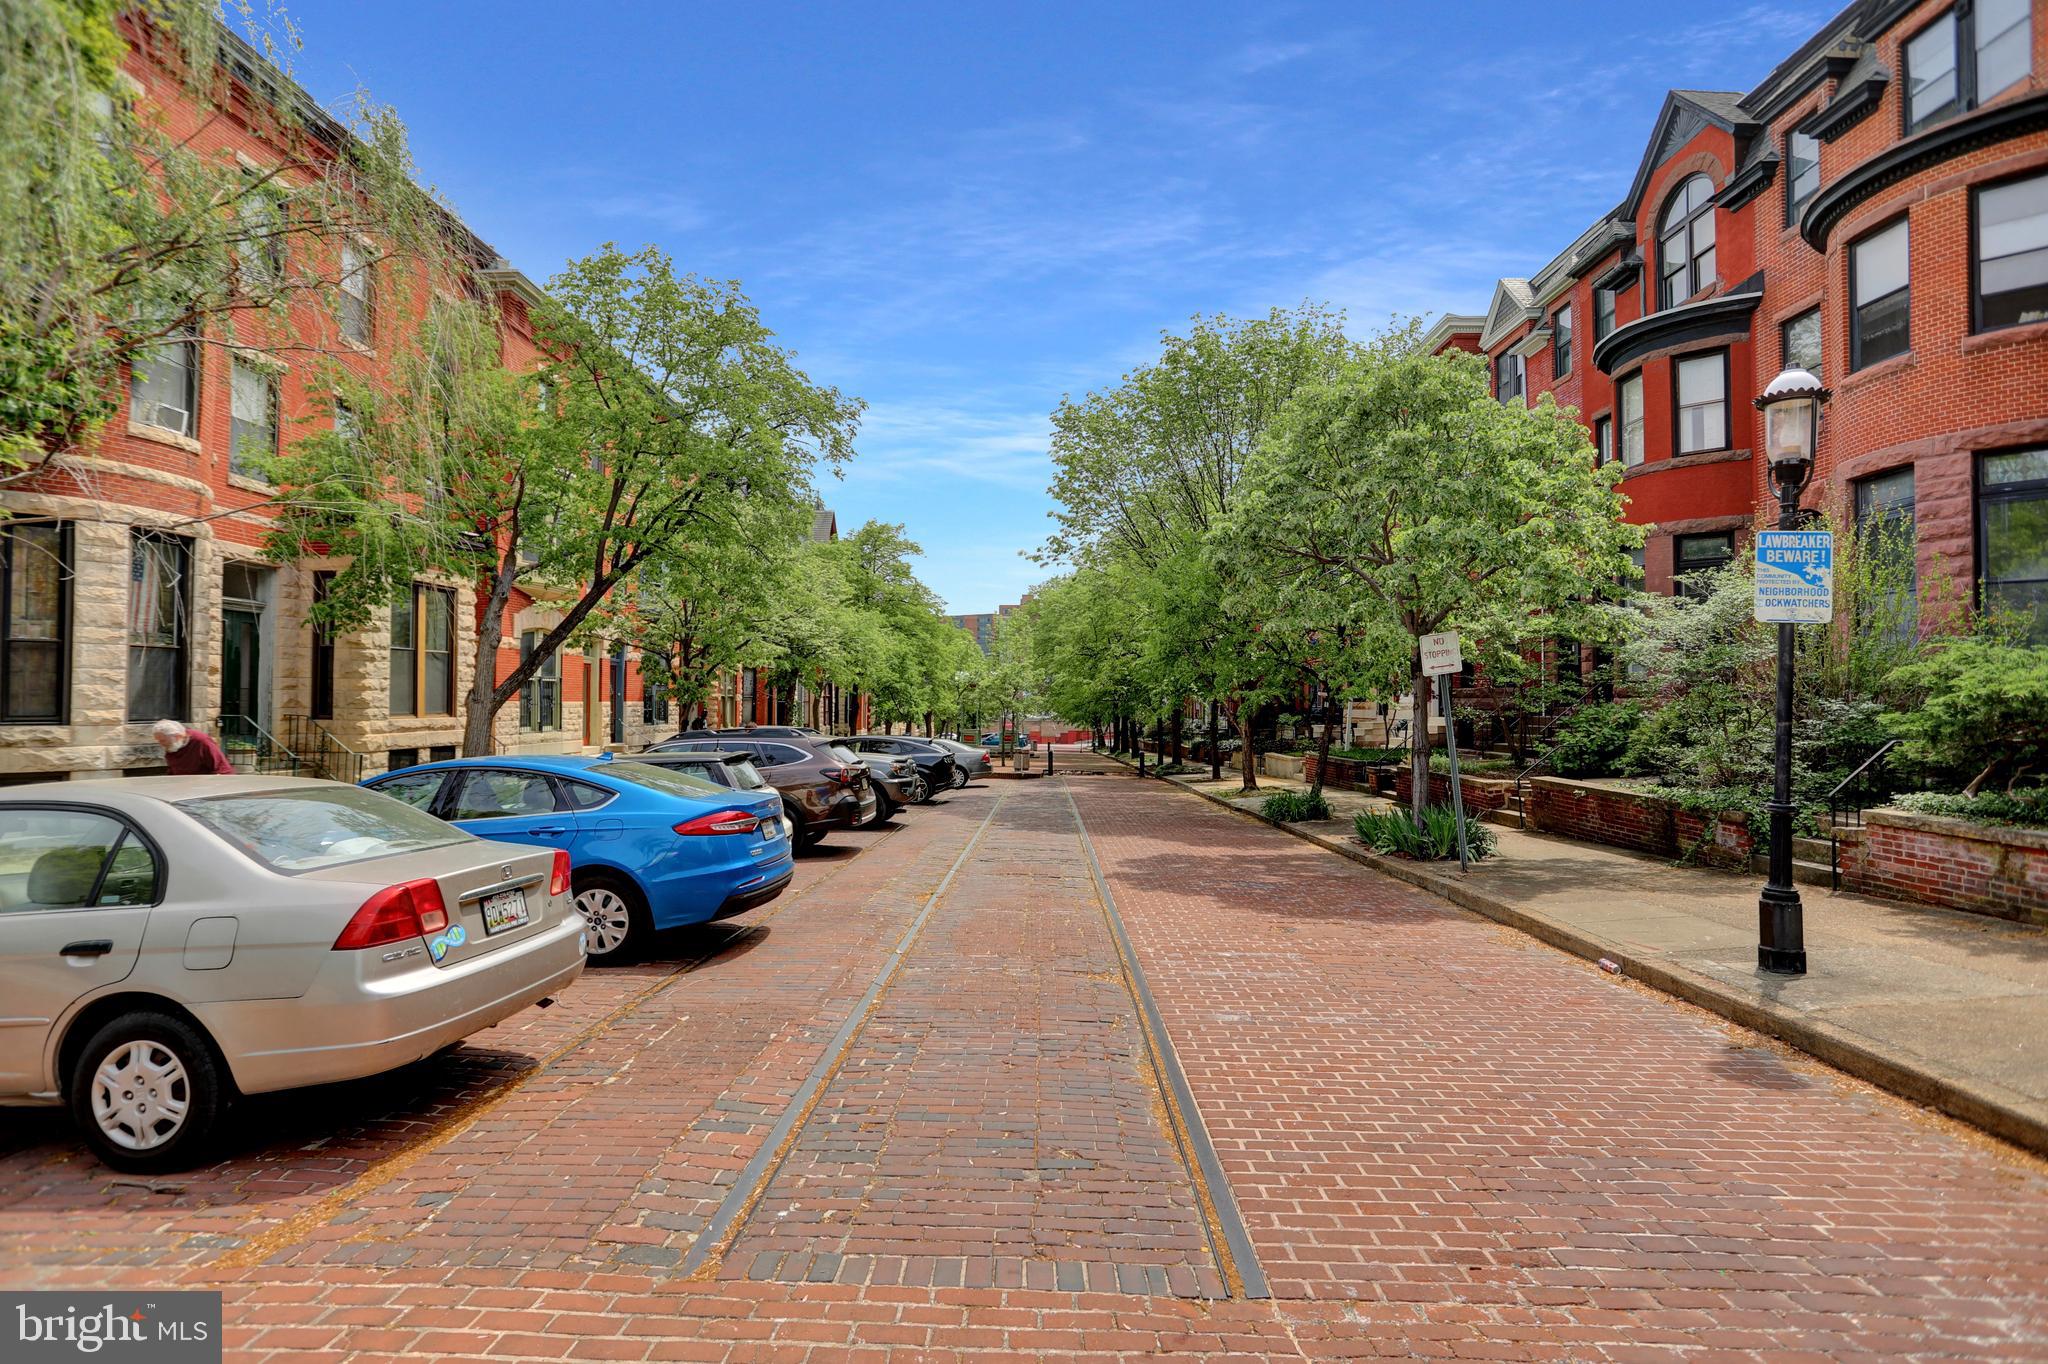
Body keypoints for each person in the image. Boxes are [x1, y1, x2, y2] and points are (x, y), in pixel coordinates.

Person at [151, 719, 236, 775]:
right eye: (158, 741)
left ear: (178, 737)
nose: (161, 744)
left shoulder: (201, 741)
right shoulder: (173, 745)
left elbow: (222, 768)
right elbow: (173, 769)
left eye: (163, 741)